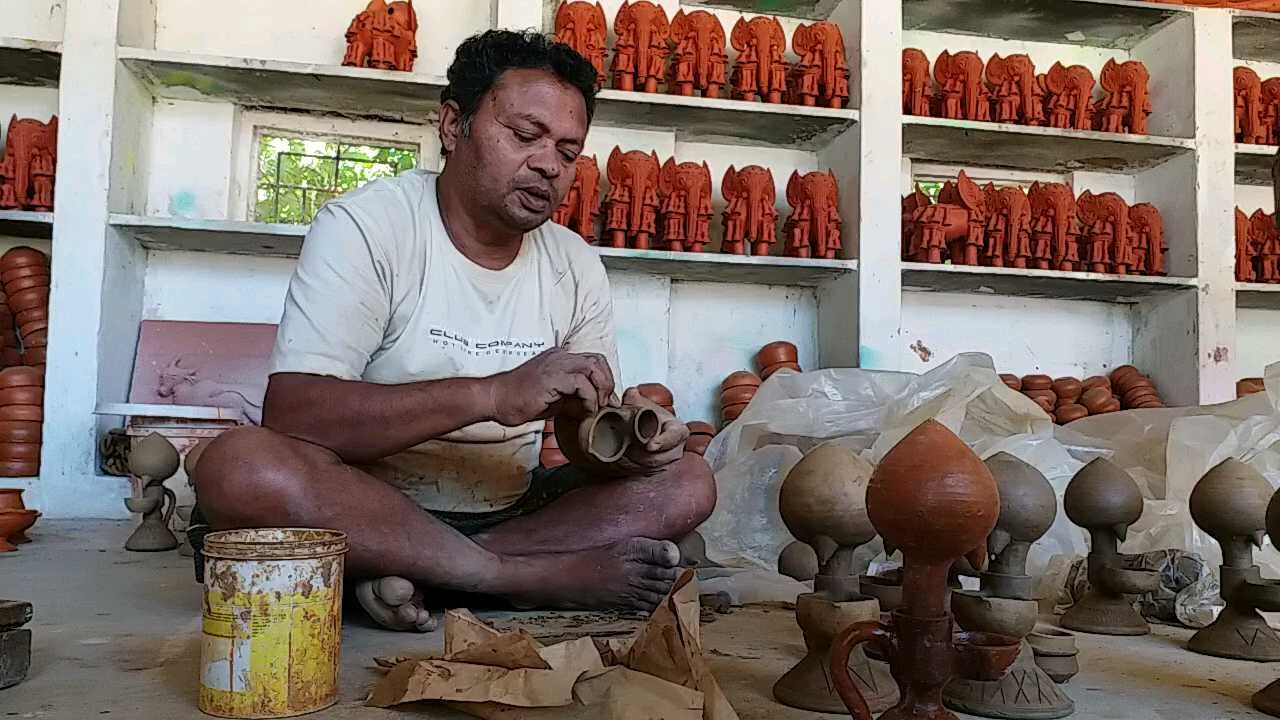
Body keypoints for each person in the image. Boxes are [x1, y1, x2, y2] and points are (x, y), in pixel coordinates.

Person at [191, 30, 717, 632]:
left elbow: (579, 439)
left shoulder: (573, 263)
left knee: (689, 480)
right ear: (451, 125)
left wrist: (629, 446)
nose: (548, 164)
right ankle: (520, 579)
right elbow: (295, 414)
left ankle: (428, 573)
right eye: (525, 136)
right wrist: (492, 395)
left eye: (569, 153)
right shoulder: (367, 226)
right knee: (238, 467)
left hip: (513, 509)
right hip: (364, 503)